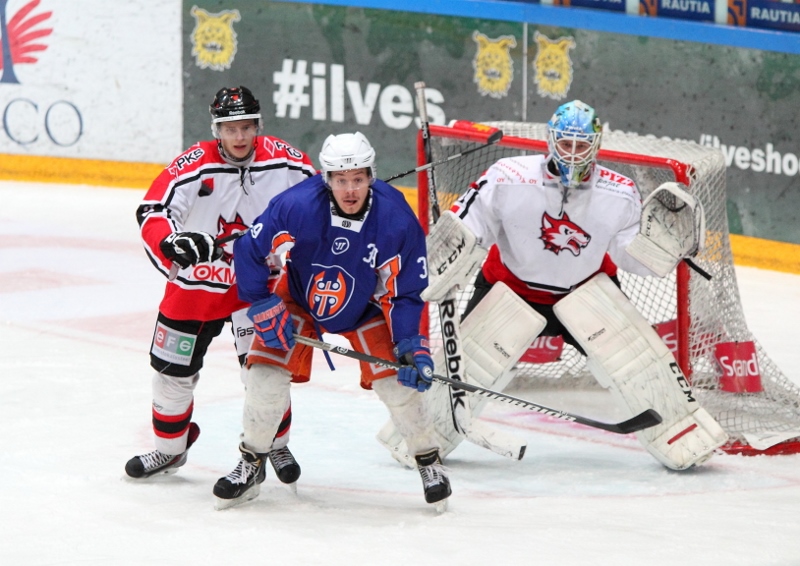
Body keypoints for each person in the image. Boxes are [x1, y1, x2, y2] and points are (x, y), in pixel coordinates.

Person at [422, 100, 728, 471]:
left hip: (586, 293)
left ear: (595, 145)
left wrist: (662, 251)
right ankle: (422, 438)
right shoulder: (507, 175)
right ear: (551, 140)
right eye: (565, 144)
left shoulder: (620, 191)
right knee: (462, 373)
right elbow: (468, 225)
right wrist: (446, 256)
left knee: (641, 370)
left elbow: (631, 257)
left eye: (580, 146)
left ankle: (684, 438)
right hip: (510, 288)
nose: (571, 154)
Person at [218, 132, 448, 510]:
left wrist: (410, 344)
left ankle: (429, 462)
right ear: (326, 179)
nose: (350, 189)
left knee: (397, 386)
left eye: (358, 178)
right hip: (299, 300)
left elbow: (405, 291)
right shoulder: (296, 206)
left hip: (363, 307)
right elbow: (247, 248)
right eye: (340, 180)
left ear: (371, 175)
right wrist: (260, 302)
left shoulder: (397, 221)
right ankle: (250, 464)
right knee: (264, 376)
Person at [125, 86, 316, 484]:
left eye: (247, 127)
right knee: (171, 373)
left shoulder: (286, 161)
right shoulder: (194, 163)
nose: (240, 137)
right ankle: (170, 450)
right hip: (197, 287)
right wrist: (172, 242)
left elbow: (323, 201)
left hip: (259, 287)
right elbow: (152, 210)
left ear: (257, 125)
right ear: (217, 129)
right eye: (231, 128)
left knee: (263, 372)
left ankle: (274, 445)